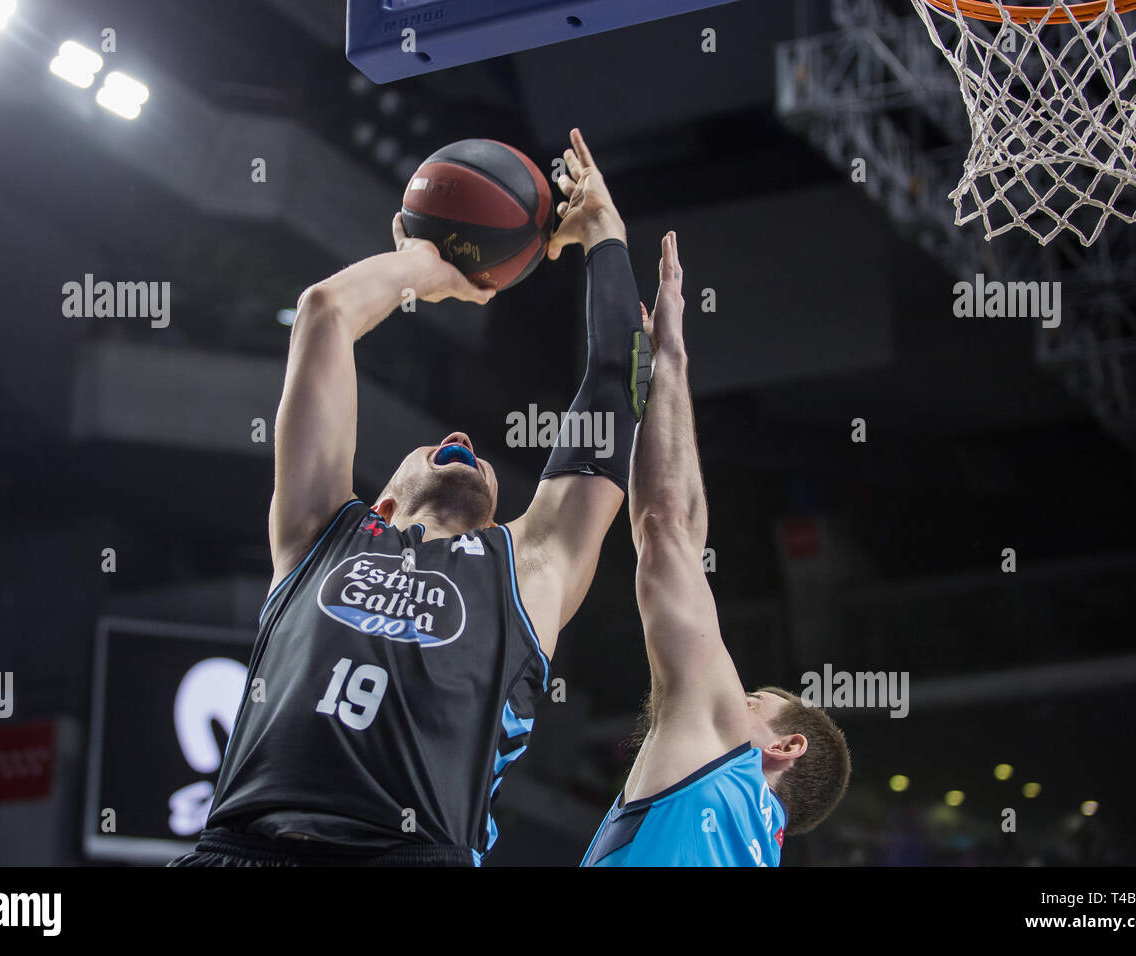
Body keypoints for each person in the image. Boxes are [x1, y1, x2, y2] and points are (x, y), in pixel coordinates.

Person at [170, 128, 650, 867]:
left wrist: (606, 238)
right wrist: (424, 264)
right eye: (442, 445)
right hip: (242, 850)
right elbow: (325, 311)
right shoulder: (317, 533)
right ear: (381, 504)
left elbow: (616, 385)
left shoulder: (526, 568)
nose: (462, 436)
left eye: (485, 462)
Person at [582, 232, 850, 867]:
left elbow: (666, 524)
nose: (728, 692)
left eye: (748, 700)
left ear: (783, 747)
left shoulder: (728, 755)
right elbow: (675, 532)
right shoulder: (752, 844)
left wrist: (669, 358)